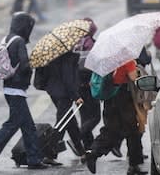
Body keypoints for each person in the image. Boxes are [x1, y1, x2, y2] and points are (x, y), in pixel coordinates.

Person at [0, 12, 47, 171]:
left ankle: (34, 159)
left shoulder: (7, 39)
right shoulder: (20, 41)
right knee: (12, 125)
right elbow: (23, 66)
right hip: (16, 89)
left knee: (28, 126)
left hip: (9, 88)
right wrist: (34, 64)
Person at [85, 60, 147, 175]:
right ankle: (133, 164)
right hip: (123, 96)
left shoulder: (107, 58)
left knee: (112, 129)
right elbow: (133, 77)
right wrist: (138, 71)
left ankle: (93, 152)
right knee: (132, 130)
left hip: (110, 96)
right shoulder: (126, 58)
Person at [42, 51, 85, 163]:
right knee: (62, 123)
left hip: (54, 91)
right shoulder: (68, 57)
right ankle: (48, 154)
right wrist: (76, 96)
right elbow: (68, 79)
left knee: (70, 122)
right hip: (63, 94)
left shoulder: (54, 54)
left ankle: (81, 152)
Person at [73, 18, 101, 152]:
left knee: (84, 117)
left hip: (77, 86)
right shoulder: (92, 44)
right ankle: (79, 136)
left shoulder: (74, 43)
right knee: (95, 116)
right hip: (90, 85)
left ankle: (88, 148)